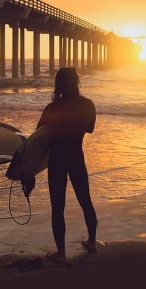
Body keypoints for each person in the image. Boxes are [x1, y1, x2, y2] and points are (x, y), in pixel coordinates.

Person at [37, 67, 98, 264]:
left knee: (58, 207)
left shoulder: (52, 108)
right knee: (85, 200)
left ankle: (61, 252)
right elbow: (89, 128)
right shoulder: (88, 105)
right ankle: (92, 241)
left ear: (58, 84)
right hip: (76, 156)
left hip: (57, 159)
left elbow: (39, 137)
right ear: (77, 83)